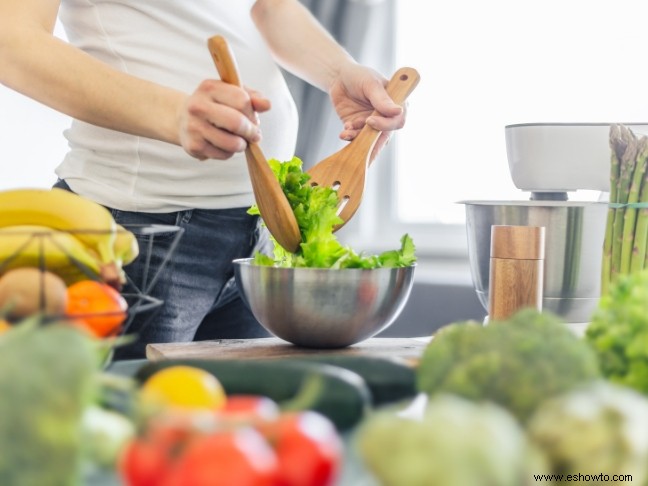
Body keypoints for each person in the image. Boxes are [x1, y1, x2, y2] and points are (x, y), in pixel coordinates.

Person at [0, 0, 409, 359]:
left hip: (260, 234)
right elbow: (12, 42)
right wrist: (173, 114)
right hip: (142, 235)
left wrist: (339, 72)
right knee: (131, 432)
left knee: (232, 435)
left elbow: (271, 7)